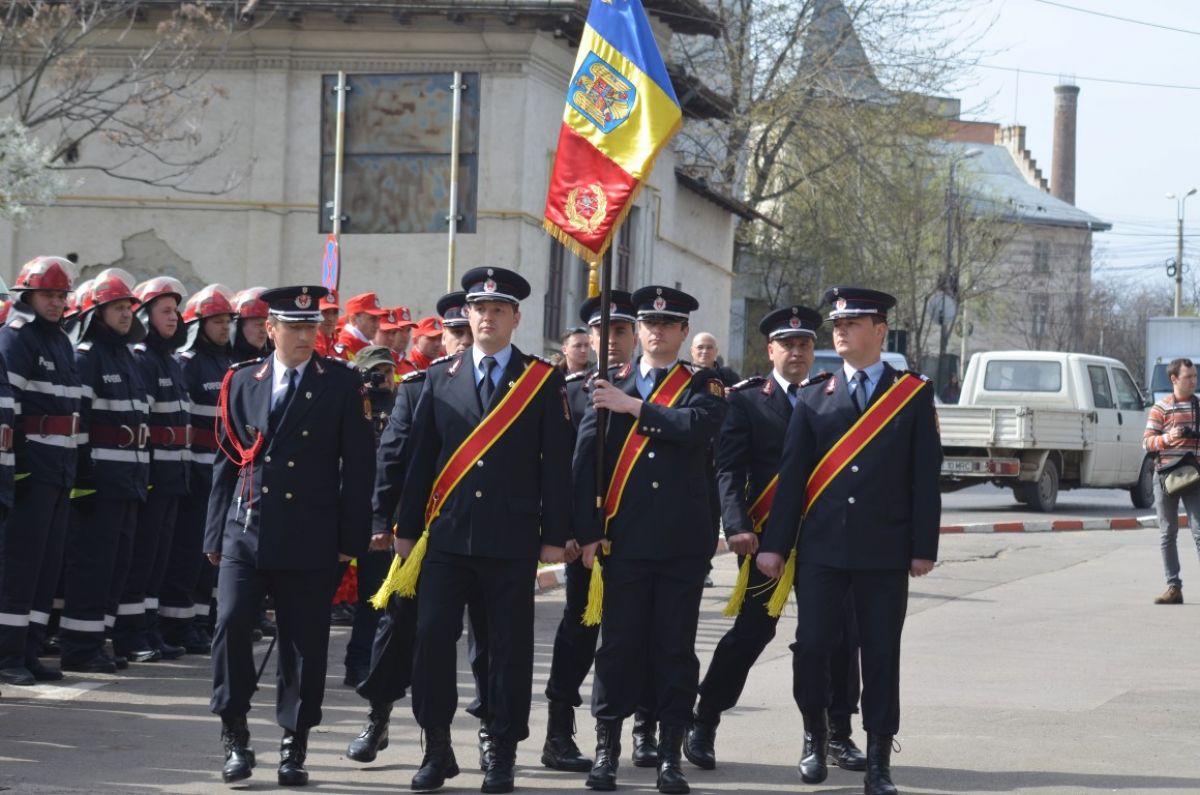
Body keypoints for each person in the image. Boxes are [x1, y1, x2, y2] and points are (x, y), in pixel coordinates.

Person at [394, 267, 572, 794]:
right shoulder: (437, 378)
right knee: (431, 639)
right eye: (479, 309)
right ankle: (437, 746)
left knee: (505, 649)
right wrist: (406, 527)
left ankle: (500, 748)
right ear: (467, 316)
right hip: (447, 537)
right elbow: (420, 460)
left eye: (498, 310)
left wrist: (554, 536)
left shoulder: (541, 380)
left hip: (510, 539)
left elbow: (556, 467)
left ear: (516, 318)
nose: (488, 317)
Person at [757, 287, 940, 795]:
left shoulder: (911, 394)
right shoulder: (814, 394)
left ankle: (879, 758)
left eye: (852, 324)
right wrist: (775, 544)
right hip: (823, 549)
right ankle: (815, 734)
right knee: (813, 646)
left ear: (879, 331)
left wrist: (922, 546)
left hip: (884, 550)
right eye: (837, 325)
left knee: (880, 653)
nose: (840, 332)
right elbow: (792, 479)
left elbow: (924, 477)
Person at [205, 285, 374, 787]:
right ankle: (235, 732)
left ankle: (293, 743)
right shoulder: (242, 380)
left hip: (310, 531)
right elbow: (226, 459)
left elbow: (358, 466)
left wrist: (351, 537)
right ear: (270, 329)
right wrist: (214, 533)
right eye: (294, 327)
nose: (305, 336)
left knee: (304, 642)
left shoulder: (341, 383)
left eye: (311, 327)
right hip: (246, 527)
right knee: (231, 624)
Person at [685, 306, 865, 773]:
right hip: (767, 540)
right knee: (753, 631)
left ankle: (836, 733)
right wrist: (737, 525)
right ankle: (705, 719)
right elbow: (729, 469)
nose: (797, 352)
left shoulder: (834, 395)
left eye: (805, 344)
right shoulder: (746, 400)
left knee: (838, 636)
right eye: (788, 344)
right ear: (771, 350)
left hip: (826, 539)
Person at [574, 286, 727, 795]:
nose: (657, 332)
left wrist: (633, 407)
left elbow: (698, 427)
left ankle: (669, 756)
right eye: (649, 324)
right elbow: (586, 462)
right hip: (625, 540)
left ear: (683, 332)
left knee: (674, 649)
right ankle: (606, 750)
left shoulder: (703, 383)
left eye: (667, 325)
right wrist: (588, 531)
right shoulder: (608, 381)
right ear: (638, 331)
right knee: (618, 648)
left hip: (682, 541)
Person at [346, 291, 489, 768]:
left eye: (468, 333)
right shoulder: (416, 387)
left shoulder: (505, 388)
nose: (462, 341)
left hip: (483, 533)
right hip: (421, 532)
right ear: (442, 337)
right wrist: (380, 520)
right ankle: (378, 714)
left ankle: (490, 729)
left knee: (488, 639)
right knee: (398, 627)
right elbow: (391, 458)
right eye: (455, 333)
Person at [542, 291, 648, 775]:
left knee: (640, 635)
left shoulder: (652, 389)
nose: (611, 340)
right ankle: (558, 733)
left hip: (641, 534)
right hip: (587, 539)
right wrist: (566, 530)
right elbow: (559, 468)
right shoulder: (570, 391)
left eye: (621, 331)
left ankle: (644, 729)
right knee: (579, 635)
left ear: (635, 336)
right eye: (603, 332)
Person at [60, 271, 151, 672]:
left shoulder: (126, 357)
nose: (126, 314)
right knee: (92, 568)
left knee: (117, 569)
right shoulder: (87, 357)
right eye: (117, 308)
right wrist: (84, 476)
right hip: (98, 484)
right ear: (97, 313)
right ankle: (80, 648)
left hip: (128, 483)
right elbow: (78, 421)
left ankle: (99, 642)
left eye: (128, 307)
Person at [0, 256, 78, 686]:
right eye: (47, 294)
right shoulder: (17, 338)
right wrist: (18, 467)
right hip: (31, 470)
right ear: (27, 296)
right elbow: (8, 409)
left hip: (59, 469)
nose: (56, 302)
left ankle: (29, 651)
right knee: (19, 566)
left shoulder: (60, 341)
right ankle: (7, 654)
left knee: (46, 568)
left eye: (61, 295)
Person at [112, 277, 192, 663]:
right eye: (165, 311)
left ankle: (148, 628)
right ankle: (130, 635)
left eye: (176, 311)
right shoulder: (143, 359)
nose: (174, 317)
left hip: (173, 477)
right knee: (141, 559)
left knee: (159, 560)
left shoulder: (169, 360)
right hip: (152, 476)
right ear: (145, 316)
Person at [158, 286, 235, 653]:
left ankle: (200, 622)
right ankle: (177, 625)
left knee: (209, 558)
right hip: (194, 472)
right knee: (187, 553)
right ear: (199, 324)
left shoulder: (225, 363)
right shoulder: (188, 363)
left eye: (227, 321)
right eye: (217, 321)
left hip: (219, 474)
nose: (224, 327)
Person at [341, 344, 398, 689]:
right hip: (343, 512)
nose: (382, 379)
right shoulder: (346, 404)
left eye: (387, 371)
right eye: (375, 372)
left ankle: (360, 663)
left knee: (374, 597)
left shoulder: (401, 406)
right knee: (317, 592)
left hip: (380, 516)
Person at [1143, 356, 1200, 605]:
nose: (1193, 381)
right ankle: (1173, 588)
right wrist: (1168, 437)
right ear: (1174, 379)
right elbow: (1147, 443)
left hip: (1194, 477)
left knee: (1199, 532)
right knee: (1168, 533)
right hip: (1165, 477)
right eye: (1188, 377)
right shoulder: (1160, 408)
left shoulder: (1199, 406)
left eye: (1195, 376)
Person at [333, 291, 389, 361]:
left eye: (379, 319)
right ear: (353, 319)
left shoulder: (364, 345)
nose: (377, 326)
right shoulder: (344, 347)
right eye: (372, 319)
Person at [231, 287, 271, 362]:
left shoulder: (273, 360)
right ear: (240, 326)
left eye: (267, 325)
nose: (264, 331)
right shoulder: (227, 362)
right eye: (259, 324)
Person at [314, 289, 339, 357]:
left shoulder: (337, 339)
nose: (330, 318)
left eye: (335, 312)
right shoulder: (310, 342)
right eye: (325, 312)